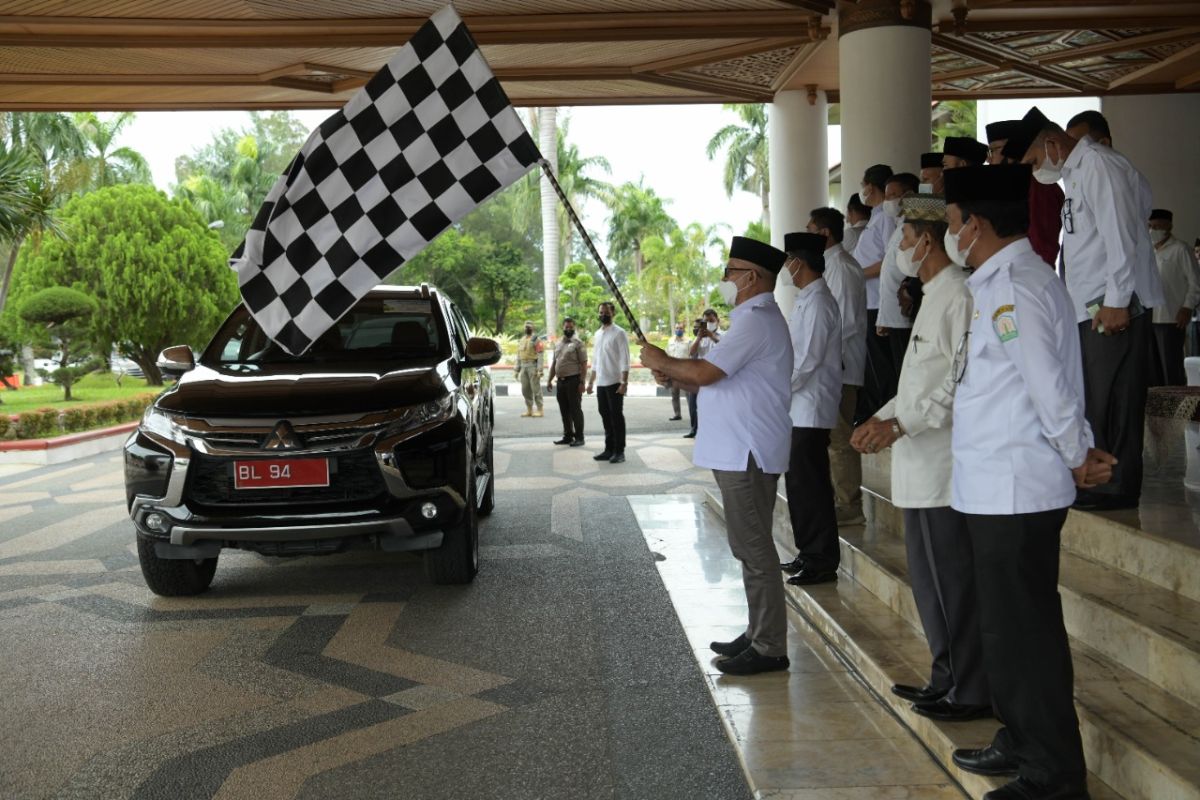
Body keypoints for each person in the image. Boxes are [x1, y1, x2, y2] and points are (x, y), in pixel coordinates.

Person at [943, 163, 1116, 800]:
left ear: (977, 225)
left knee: (1027, 633)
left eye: (954, 224)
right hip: (994, 487)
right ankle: (1020, 738)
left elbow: (1047, 385)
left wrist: (1077, 453)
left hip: (1017, 488)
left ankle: (1054, 775)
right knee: (1004, 631)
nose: (950, 235)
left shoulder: (1015, 284)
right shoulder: (997, 282)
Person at [850, 194, 989, 723]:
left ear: (926, 240)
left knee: (952, 582)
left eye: (904, 238)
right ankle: (946, 677)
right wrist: (879, 416)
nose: (900, 248)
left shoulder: (958, 296)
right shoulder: (933, 295)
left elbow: (956, 384)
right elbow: (914, 383)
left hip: (941, 465)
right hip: (916, 461)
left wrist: (899, 424)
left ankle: (970, 687)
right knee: (932, 584)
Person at [640, 236, 794, 675]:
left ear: (751, 277)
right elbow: (717, 382)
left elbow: (707, 370)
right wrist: (676, 377)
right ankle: (758, 631)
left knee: (754, 548)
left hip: (746, 449)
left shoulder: (756, 320)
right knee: (748, 546)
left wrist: (663, 359)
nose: (724, 279)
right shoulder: (749, 319)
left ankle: (769, 646)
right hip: (739, 447)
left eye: (730, 271)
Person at [1005, 106, 1165, 511]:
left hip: (1111, 307)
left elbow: (1121, 236)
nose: (1036, 170)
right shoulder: (1076, 175)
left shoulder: (1099, 166)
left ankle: (1115, 485)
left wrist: (1116, 302)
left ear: (1052, 144)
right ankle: (1098, 480)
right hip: (1089, 307)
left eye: (1034, 161)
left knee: (1114, 400)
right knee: (1095, 397)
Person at [777, 232, 843, 586]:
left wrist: (779, 390)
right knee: (799, 485)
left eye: (789, 260)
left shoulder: (819, 302)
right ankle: (808, 551)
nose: (787, 267)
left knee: (811, 486)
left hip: (811, 408)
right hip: (798, 408)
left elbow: (808, 360)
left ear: (799, 262)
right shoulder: (807, 298)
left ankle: (821, 560)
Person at [808, 207, 868, 526]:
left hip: (841, 368)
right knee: (833, 438)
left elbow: (846, 324)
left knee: (841, 438)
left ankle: (849, 505)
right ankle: (839, 498)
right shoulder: (829, 266)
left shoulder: (842, 268)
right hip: (832, 367)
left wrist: (823, 360)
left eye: (810, 229)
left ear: (824, 233)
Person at [986, 119, 1064, 269]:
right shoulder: (1015, 184)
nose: (990, 159)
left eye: (994, 150)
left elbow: (1043, 246)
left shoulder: (1038, 185)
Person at [854, 164, 898, 422]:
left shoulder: (886, 218)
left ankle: (886, 407)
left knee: (881, 361)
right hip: (868, 299)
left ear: (870, 186)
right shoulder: (876, 217)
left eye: (863, 184)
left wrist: (857, 274)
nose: (862, 190)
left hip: (878, 301)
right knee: (873, 360)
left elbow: (888, 260)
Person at [876, 172, 920, 400]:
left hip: (904, 315)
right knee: (896, 375)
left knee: (905, 378)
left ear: (909, 195)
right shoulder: (900, 225)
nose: (888, 201)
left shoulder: (915, 224)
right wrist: (884, 318)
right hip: (894, 315)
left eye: (893, 195)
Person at [1148, 209, 1200, 386]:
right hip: (1150, 318)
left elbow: (1196, 283)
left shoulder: (1181, 249)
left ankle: (1176, 408)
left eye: (1157, 226)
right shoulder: (1149, 252)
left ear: (1169, 226)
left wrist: (1187, 307)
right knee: (1153, 370)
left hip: (1171, 318)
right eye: (1150, 226)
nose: (1152, 230)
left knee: (1171, 368)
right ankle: (1159, 408)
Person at [587, 301, 631, 464]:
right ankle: (609, 449)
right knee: (605, 416)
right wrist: (591, 382)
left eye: (606, 312)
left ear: (613, 313)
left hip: (615, 382)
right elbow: (595, 360)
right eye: (600, 312)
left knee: (616, 417)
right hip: (601, 383)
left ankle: (620, 451)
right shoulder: (598, 334)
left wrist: (624, 382)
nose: (602, 315)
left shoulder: (619, 333)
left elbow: (625, 359)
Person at [546, 317, 587, 447]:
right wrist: (549, 380)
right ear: (562, 328)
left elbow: (584, 364)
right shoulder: (558, 344)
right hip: (561, 382)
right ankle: (568, 435)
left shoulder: (578, 343)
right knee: (564, 410)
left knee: (575, 410)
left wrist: (582, 382)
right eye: (566, 327)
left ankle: (579, 437)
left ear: (574, 328)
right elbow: (554, 363)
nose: (568, 329)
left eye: (570, 327)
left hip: (573, 381)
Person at [686, 309, 724, 438]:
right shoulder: (700, 337)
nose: (708, 323)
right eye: (705, 321)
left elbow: (724, 347)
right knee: (695, 405)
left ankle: (715, 431)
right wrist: (699, 338)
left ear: (717, 321)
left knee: (715, 406)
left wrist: (711, 336)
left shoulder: (724, 335)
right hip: (700, 375)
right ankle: (696, 430)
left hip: (718, 377)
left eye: (711, 320)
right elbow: (691, 353)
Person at [516, 320, 545, 418]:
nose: (527, 328)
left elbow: (540, 355)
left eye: (529, 326)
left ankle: (540, 410)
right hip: (523, 366)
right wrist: (516, 370)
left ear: (533, 328)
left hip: (533, 366)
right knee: (525, 389)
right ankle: (529, 409)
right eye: (526, 326)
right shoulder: (522, 340)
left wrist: (540, 369)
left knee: (536, 389)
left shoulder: (536, 339)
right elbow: (518, 356)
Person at [667, 323, 691, 420]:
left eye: (680, 328)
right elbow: (668, 354)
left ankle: (692, 413)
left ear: (684, 329)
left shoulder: (689, 341)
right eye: (677, 328)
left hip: (685, 370)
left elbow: (692, 355)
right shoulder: (670, 341)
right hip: (673, 371)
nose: (678, 330)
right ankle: (677, 414)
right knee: (674, 393)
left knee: (688, 394)